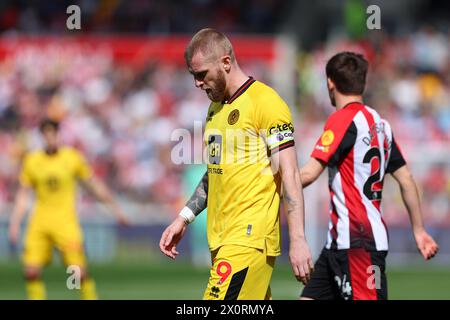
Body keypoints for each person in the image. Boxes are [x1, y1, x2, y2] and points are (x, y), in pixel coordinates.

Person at [159, 28, 313, 300]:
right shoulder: (215, 109)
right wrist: (184, 217)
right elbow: (215, 173)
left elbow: (289, 173)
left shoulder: (266, 103)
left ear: (226, 63)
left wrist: (298, 238)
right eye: (193, 75)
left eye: (201, 74)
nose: (197, 83)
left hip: (248, 239)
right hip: (221, 240)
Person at [299, 52, 439, 300]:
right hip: (338, 243)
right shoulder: (380, 124)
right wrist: (418, 230)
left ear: (330, 82)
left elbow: (309, 173)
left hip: (358, 243)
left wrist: (261, 183)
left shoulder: (342, 120)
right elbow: (406, 178)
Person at [8, 118, 128, 300]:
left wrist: (115, 209)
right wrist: (15, 223)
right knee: (31, 270)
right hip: (40, 221)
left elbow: (94, 185)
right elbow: (23, 196)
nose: (50, 138)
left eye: (53, 133)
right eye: (46, 134)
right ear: (41, 136)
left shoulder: (72, 158)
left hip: (65, 222)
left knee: (78, 272)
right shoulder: (32, 161)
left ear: (58, 135)